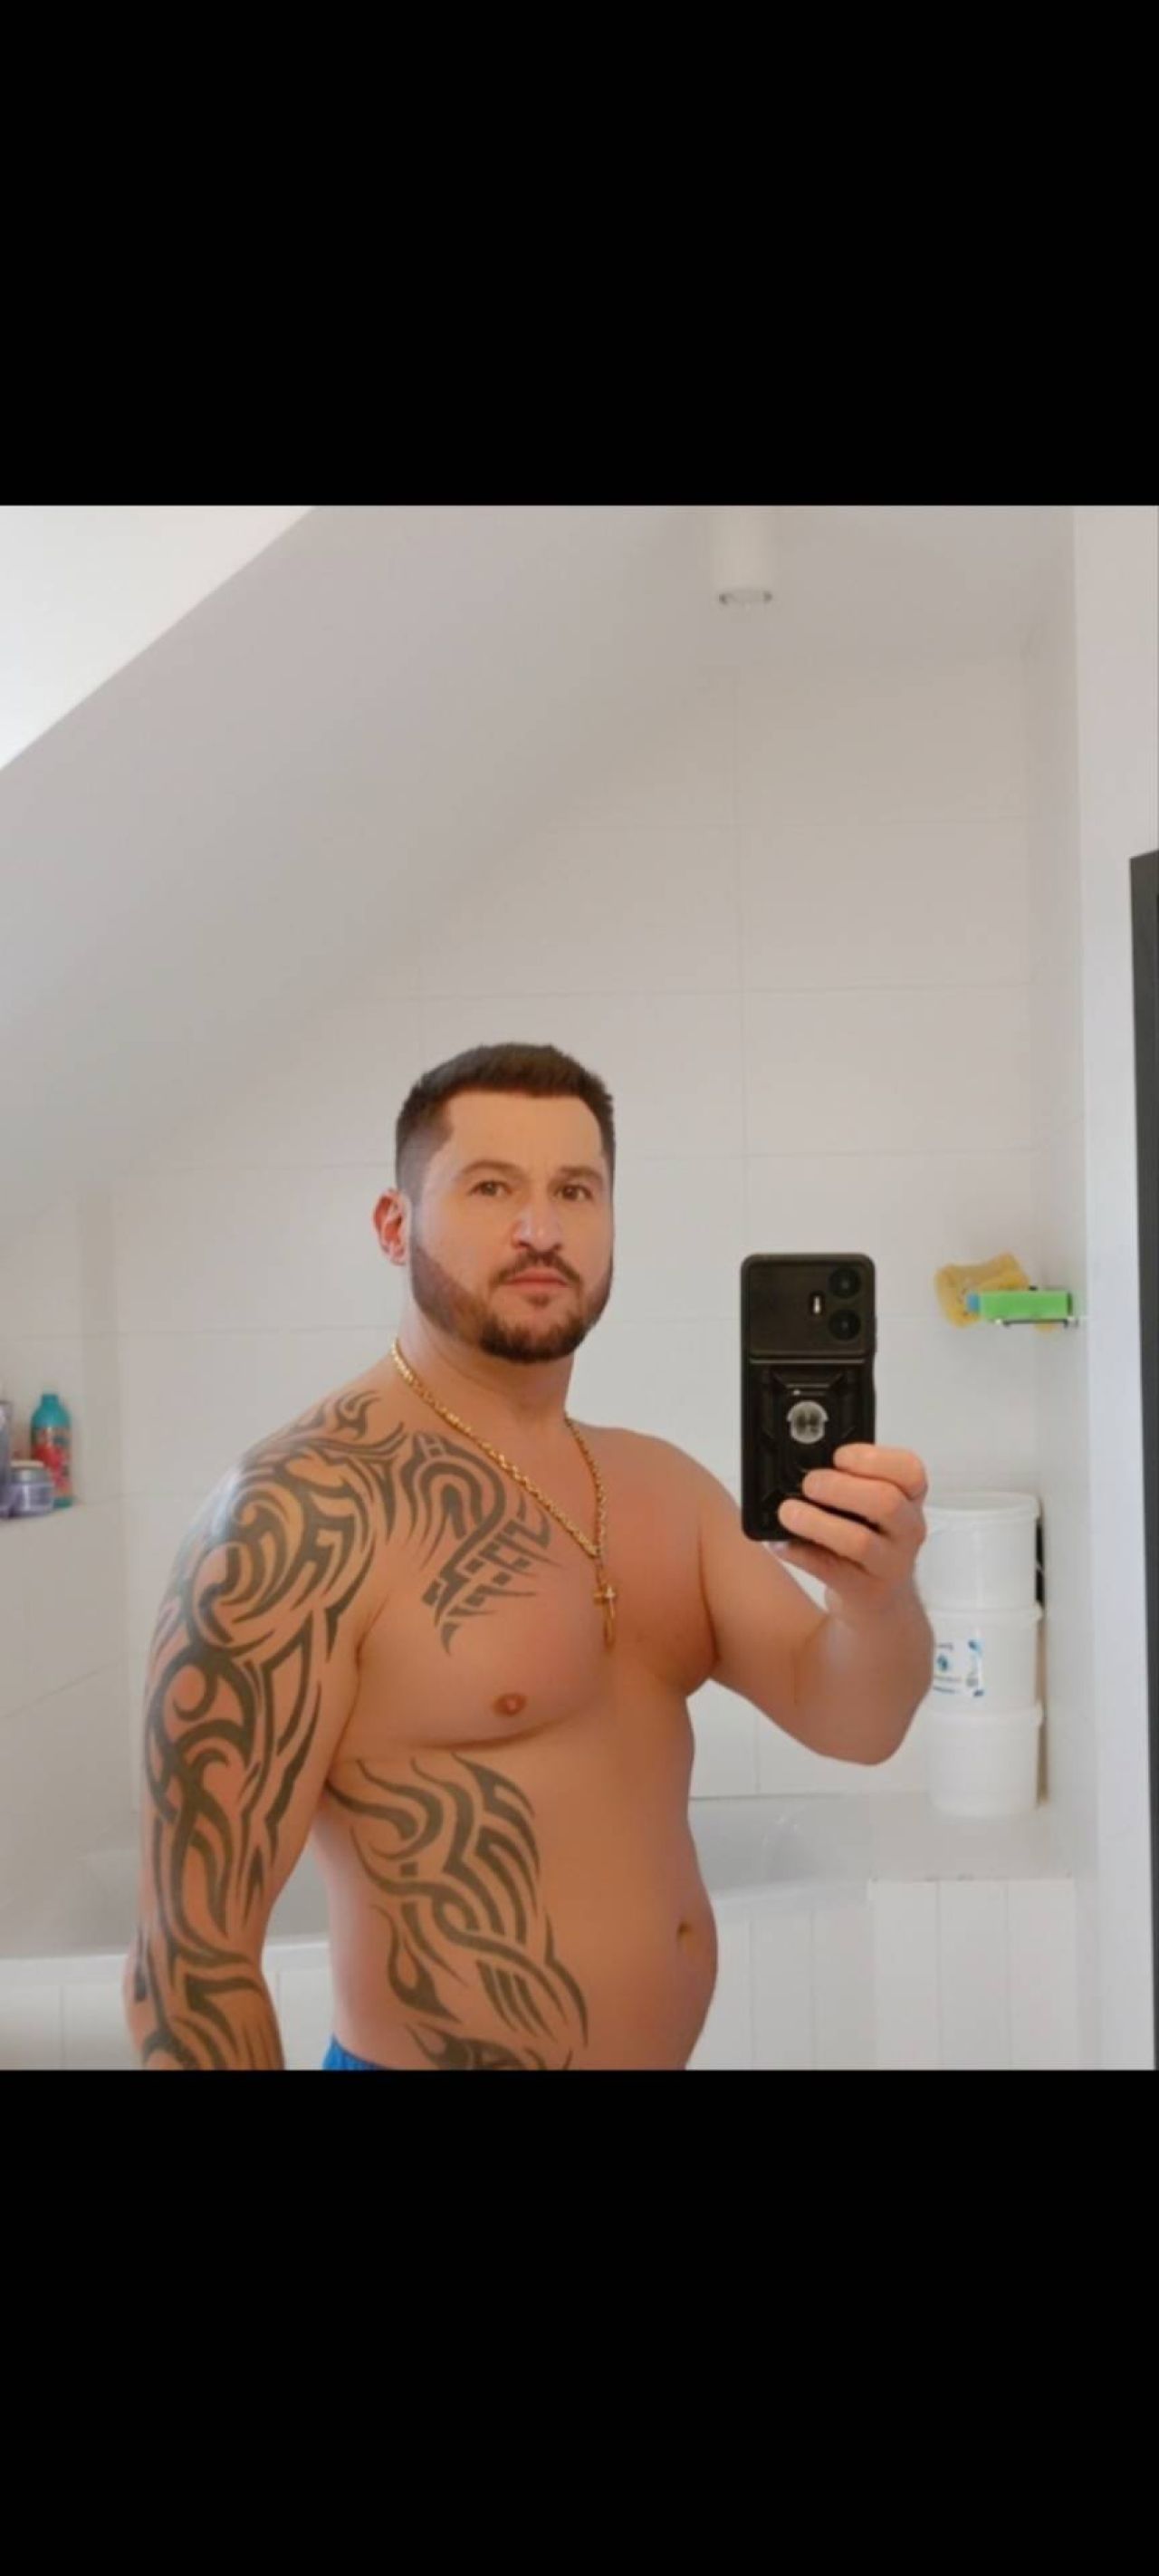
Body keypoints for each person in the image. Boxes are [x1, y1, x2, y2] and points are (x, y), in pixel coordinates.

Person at [122, 1040, 931, 2070]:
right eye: (491, 1186)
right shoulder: (298, 1513)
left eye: (575, 1190)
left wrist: (876, 1601)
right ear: (394, 1224)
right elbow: (189, 1965)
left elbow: (855, 1722)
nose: (541, 1229)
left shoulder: (660, 1487)